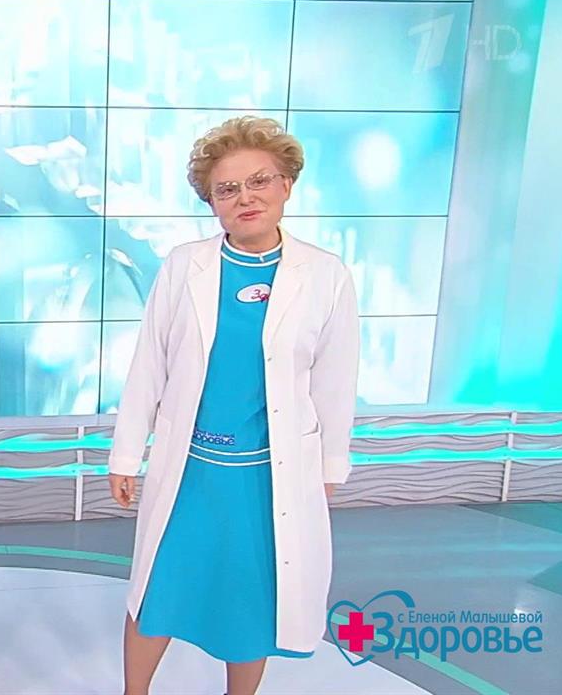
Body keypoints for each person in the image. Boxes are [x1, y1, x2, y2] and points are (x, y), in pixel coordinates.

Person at [108, 116, 360, 695]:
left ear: (286, 185)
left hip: (270, 475)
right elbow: (149, 365)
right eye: (227, 189)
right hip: (190, 468)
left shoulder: (326, 275)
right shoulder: (185, 265)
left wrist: (328, 470)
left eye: (259, 181)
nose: (245, 197)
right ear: (211, 202)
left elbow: (335, 380)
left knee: (252, 600)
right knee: (157, 590)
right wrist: (126, 454)